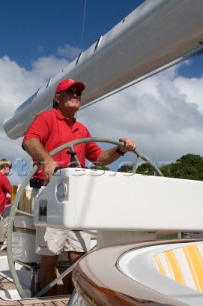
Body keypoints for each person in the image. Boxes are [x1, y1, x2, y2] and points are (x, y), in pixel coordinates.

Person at [22, 78, 136, 293]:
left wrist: (121, 150)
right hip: (50, 194)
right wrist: (47, 159)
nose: (75, 94)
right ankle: (47, 305)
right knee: (49, 258)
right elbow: (30, 141)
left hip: (76, 197)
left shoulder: (82, 129)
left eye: (78, 92)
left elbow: (100, 158)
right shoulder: (46, 118)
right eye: (69, 91)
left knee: (78, 255)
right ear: (57, 98)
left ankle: (71, 302)